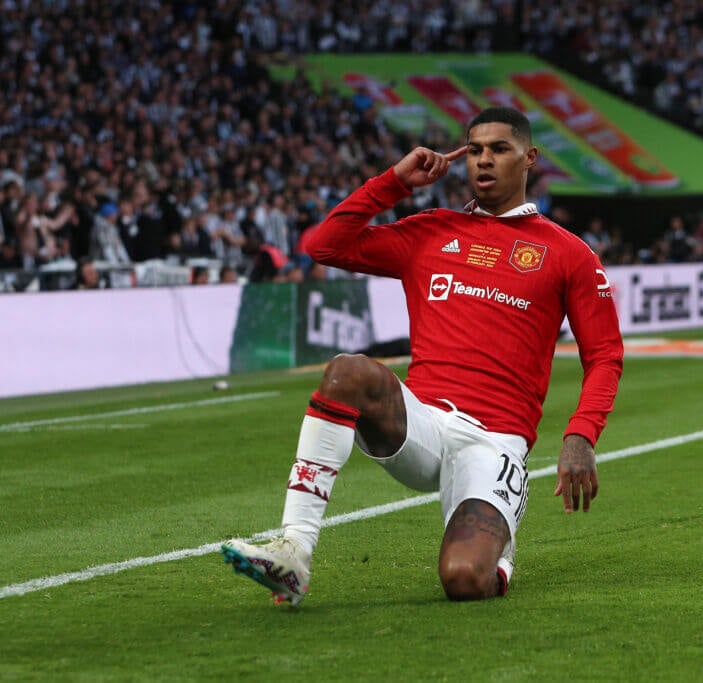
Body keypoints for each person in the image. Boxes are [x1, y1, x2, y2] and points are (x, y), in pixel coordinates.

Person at [221, 107, 623, 605]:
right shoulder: (430, 232)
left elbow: (605, 355)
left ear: (529, 158)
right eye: (474, 149)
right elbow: (323, 246)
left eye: (500, 149)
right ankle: (294, 552)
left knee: (464, 581)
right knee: (347, 371)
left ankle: (497, 547)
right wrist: (394, 182)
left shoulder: (569, 254)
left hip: (494, 441)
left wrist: (581, 435)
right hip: (423, 422)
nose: (484, 161)